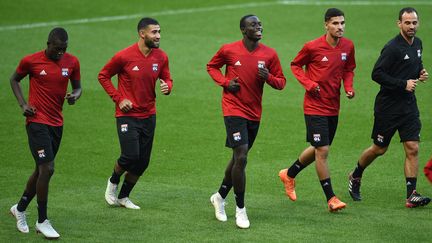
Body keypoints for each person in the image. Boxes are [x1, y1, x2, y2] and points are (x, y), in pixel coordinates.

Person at [207, 14, 286, 229]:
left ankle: (220, 196)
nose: (259, 27)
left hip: (254, 113)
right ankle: (240, 209)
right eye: (253, 25)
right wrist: (225, 82)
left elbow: (281, 83)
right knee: (241, 156)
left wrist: (268, 77)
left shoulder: (270, 54)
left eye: (260, 24)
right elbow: (211, 66)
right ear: (243, 30)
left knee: (237, 158)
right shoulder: (229, 50)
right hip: (233, 109)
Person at [347, 7, 430, 208]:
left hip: (409, 106)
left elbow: (413, 64)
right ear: (399, 24)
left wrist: (421, 72)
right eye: (407, 23)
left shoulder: (417, 43)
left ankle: (411, 195)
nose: (411, 26)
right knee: (379, 148)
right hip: (388, 107)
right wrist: (403, 84)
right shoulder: (392, 48)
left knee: (413, 147)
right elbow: (377, 74)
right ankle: (356, 175)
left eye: (414, 22)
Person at [278, 8, 356, 212]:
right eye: (335, 23)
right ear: (326, 25)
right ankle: (331, 198)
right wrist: (309, 83)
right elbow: (295, 65)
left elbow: (349, 69)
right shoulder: (312, 47)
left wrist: (348, 87)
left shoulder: (348, 46)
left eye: (342, 23)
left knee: (318, 146)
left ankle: (289, 174)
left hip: (333, 106)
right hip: (314, 106)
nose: (340, 27)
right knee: (323, 150)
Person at [9, 27, 82, 239]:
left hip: (57, 123)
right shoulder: (31, 61)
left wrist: (74, 96)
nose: (61, 53)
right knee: (48, 168)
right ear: (48, 44)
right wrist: (23, 104)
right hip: (36, 122)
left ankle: (20, 208)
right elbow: (14, 79)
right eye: (58, 49)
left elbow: (78, 87)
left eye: (64, 49)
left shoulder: (72, 62)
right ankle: (42, 220)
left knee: (41, 170)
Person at [99, 17, 173, 210]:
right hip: (127, 115)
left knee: (143, 162)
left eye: (159, 32)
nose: (158, 36)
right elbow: (103, 75)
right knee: (130, 155)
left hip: (149, 114)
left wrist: (168, 86)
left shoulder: (161, 57)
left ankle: (124, 197)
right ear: (142, 34)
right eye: (154, 32)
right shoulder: (124, 56)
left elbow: (167, 77)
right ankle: (113, 182)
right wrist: (118, 98)